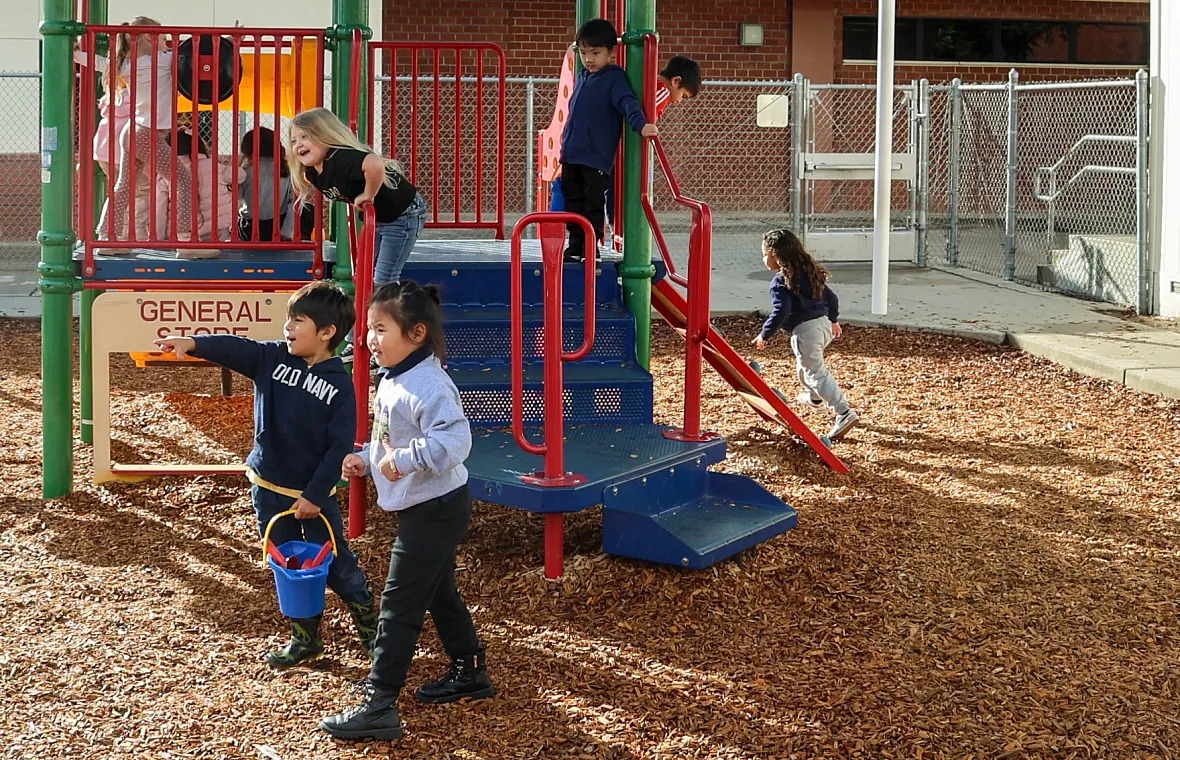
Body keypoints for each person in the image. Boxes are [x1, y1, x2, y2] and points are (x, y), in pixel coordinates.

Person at [152, 281, 380, 667]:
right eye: (289, 319)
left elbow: (336, 449)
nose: (288, 327)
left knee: (336, 563)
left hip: (313, 497)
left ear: (327, 333)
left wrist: (313, 494)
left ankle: (374, 637)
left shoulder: (339, 386)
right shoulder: (273, 360)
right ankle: (305, 638)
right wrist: (193, 342)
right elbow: (237, 348)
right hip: (268, 488)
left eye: (299, 321)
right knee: (288, 565)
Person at [320, 280, 494, 742]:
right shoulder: (397, 376)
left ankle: (379, 703)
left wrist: (404, 460)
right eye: (369, 329)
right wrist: (367, 457)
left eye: (380, 329)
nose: (368, 339)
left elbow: (456, 441)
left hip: (434, 509)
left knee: (399, 604)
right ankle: (470, 669)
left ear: (416, 334)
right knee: (438, 591)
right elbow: (389, 437)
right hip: (429, 505)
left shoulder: (429, 384)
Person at [288, 107, 427, 364]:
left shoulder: (341, 158)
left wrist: (369, 194)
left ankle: (388, 341)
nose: (298, 145)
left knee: (383, 281)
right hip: (380, 220)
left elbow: (374, 164)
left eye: (305, 137)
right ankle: (356, 340)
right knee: (364, 281)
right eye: (294, 140)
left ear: (325, 135)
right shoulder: (313, 173)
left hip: (404, 214)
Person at [94, 17, 199, 256]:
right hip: (146, 134)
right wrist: (232, 43)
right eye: (162, 38)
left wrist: (75, 53)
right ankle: (186, 241)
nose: (166, 43)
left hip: (132, 131)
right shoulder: (162, 60)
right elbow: (196, 58)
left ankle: (105, 237)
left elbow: (100, 63)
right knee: (183, 180)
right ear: (147, 38)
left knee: (124, 186)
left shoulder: (127, 65)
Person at [558, 18, 657, 262]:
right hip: (572, 153)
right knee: (572, 202)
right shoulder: (582, 76)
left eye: (596, 52)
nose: (589, 59)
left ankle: (592, 248)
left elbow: (627, 103)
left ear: (611, 52)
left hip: (595, 156)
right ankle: (576, 246)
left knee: (592, 204)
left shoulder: (614, 78)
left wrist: (641, 125)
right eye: (583, 53)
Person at [752, 228, 859, 441]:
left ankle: (844, 412)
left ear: (775, 254)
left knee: (815, 373)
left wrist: (765, 334)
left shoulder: (780, 281)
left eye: (764, 253)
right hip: (823, 326)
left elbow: (781, 311)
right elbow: (832, 298)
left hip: (806, 331)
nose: (763, 258)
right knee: (804, 368)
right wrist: (834, 320)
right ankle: (815, 399)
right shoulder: (808, 273)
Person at [601, 55, 702, 231]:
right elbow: (644, 115)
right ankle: (620, 229)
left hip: (612, 145)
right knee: (623, 189)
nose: (679, 102)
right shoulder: (662, 91)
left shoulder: (649, 85)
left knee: (611, 188)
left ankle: (614, 226)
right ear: (676, 82)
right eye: (683, 96)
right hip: (623, 148)